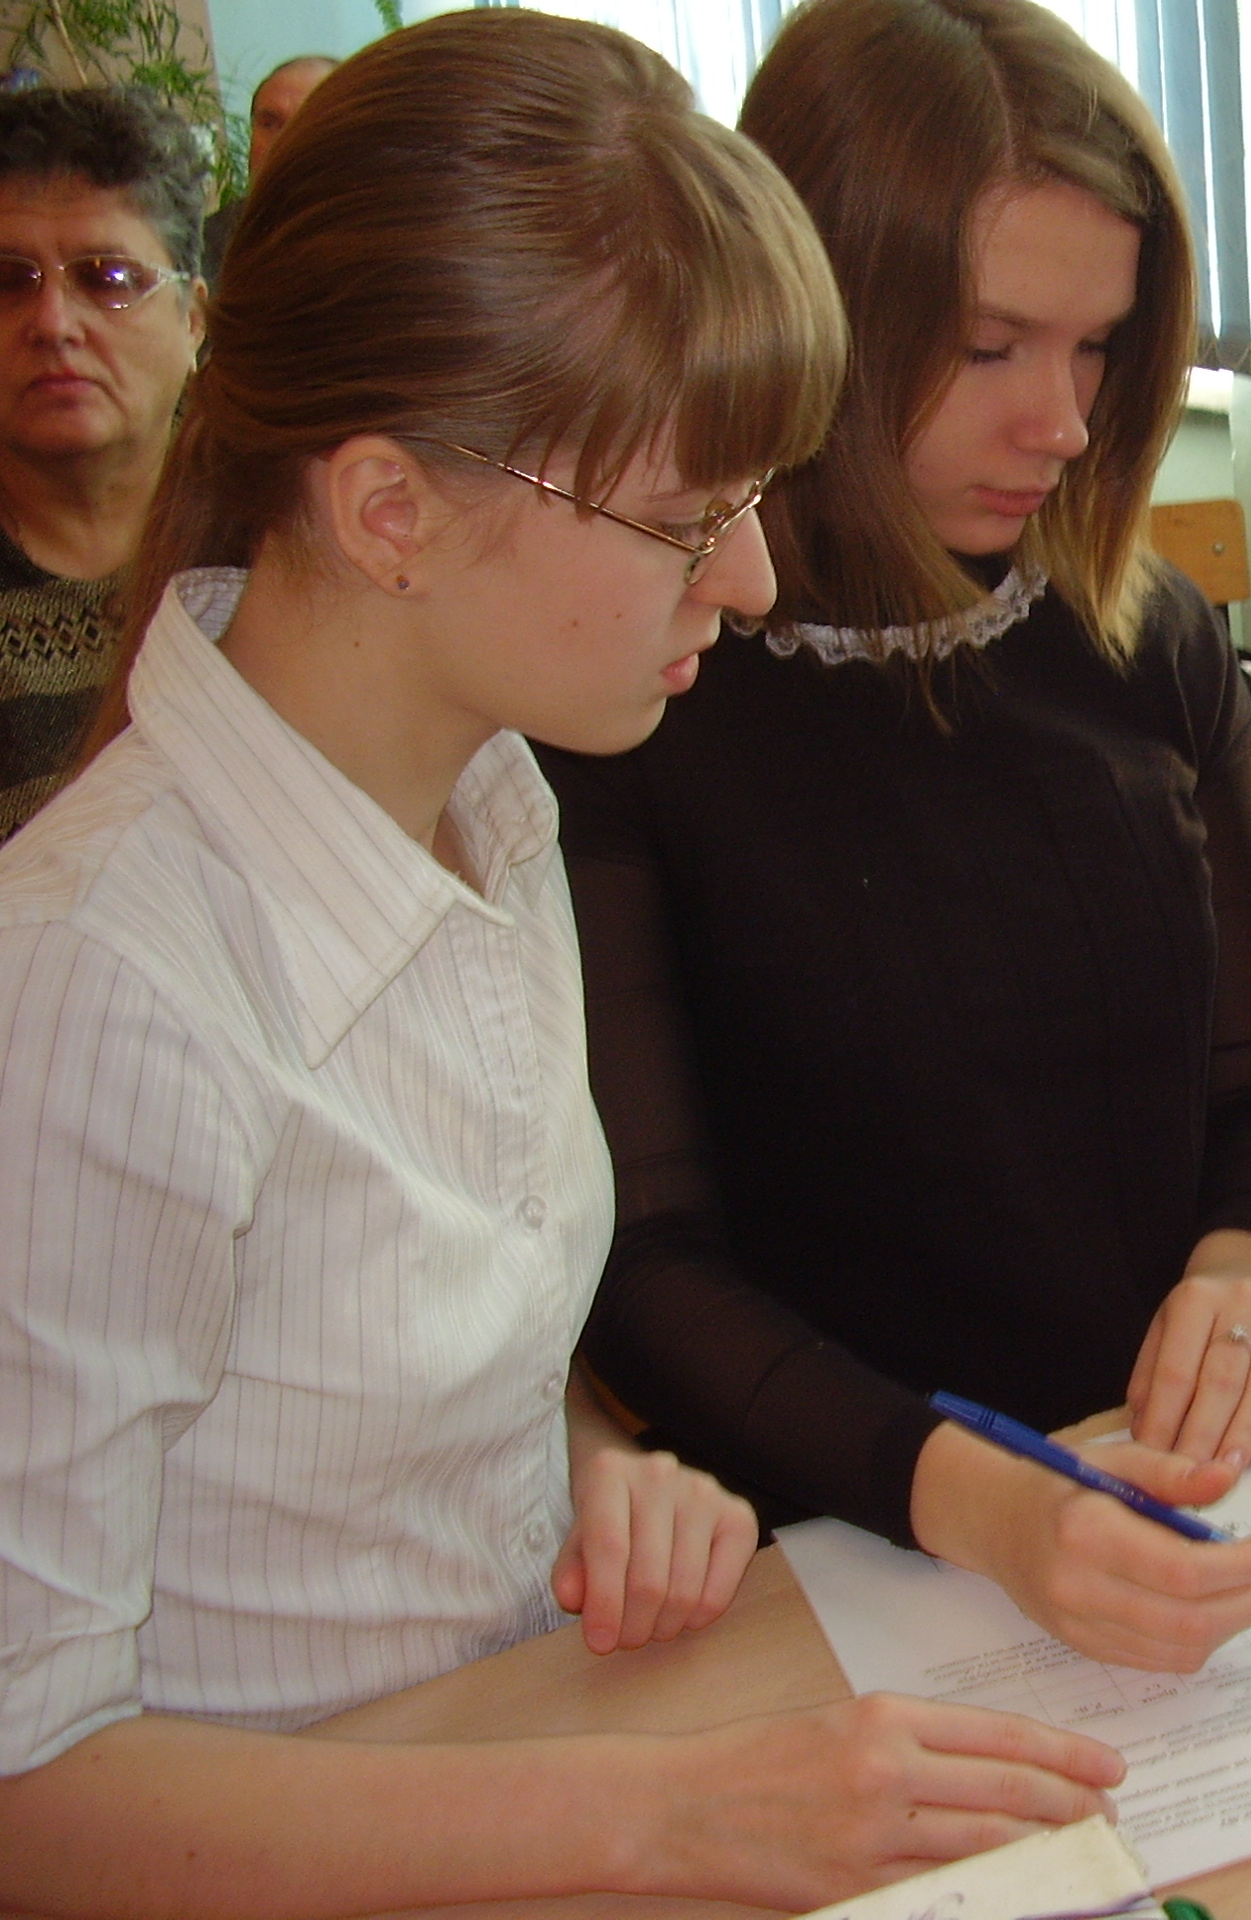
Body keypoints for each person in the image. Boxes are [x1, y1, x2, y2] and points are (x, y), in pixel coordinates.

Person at [0, 15, 1127, 1914]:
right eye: (689, 520)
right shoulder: (96, 989)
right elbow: (29, 1791)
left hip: (513, 1759)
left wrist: (585, 1457)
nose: (752, 581)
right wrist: (673, 1816)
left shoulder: (497, 807)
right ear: (390, 512)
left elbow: (356, 1386)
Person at [537, 0, 1251, 1675]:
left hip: (1173, 1487)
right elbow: (646, 1271)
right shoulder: (638, 691)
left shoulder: (1149, 636)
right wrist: (976, 1496)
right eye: (989, 348)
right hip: (841, 1554)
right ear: (815, 307)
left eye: (1097, 346)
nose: (1066, 421)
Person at [0, 86, 204, 839]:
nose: (54, 323)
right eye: (7, 281)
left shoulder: (286, 527)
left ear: (194, 319)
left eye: (108, 279)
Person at [199, 54, 337, 287]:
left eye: (305, 123)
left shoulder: (385, 241)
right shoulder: (205, 249)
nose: (282, 142)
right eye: (269, 124)